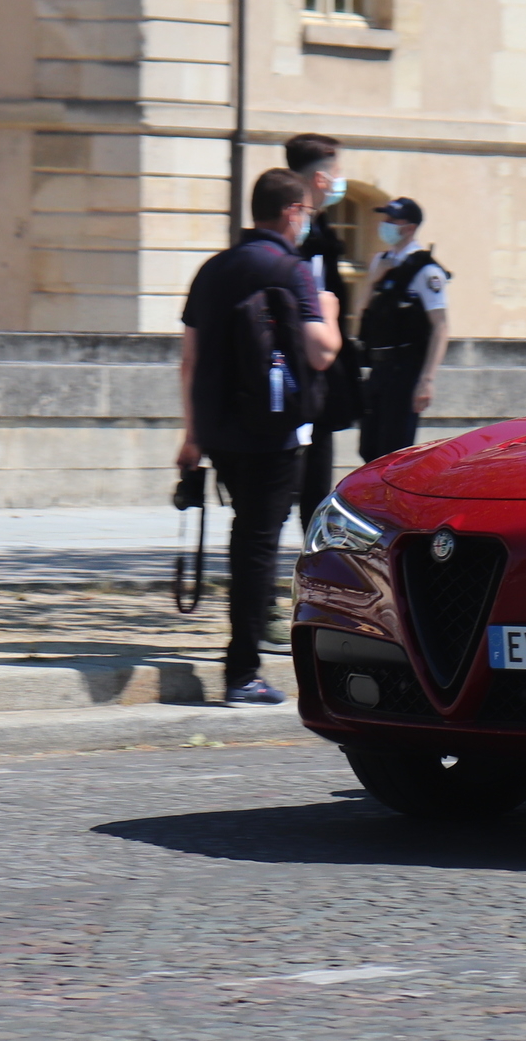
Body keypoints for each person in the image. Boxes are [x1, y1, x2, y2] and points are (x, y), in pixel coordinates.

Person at [178, 168, 340, 706]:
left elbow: (190, 361)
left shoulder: (212, 270)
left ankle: (242, 661)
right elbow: (321, 351)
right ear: (292, 212)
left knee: (246, 538)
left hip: (221, 432)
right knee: (258, 545)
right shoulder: (291, 271)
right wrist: (333, 313)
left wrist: (192, 436)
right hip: (274, 433)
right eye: (306, 213)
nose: (306, 222)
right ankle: (242, 670)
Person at [285, 132, 359, 532]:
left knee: (312, 473)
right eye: (335, 173)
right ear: (319, 180)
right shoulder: (303, 235)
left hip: (315, 371)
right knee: (303, 477)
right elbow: (310, 303)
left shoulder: (314, 229)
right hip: (308, 370)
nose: (338, 181)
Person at [358, 195, 451, 463]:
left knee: (392, 450)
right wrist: (372, 281)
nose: (385, 224)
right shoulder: (381, 262)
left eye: (392, 220)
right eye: (384, 218)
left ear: (409, 227)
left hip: (405, 371)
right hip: (378, 368)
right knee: (369, 449)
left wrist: (427, 380)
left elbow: (440, 327)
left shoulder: (426, 271)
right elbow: (362, 313)